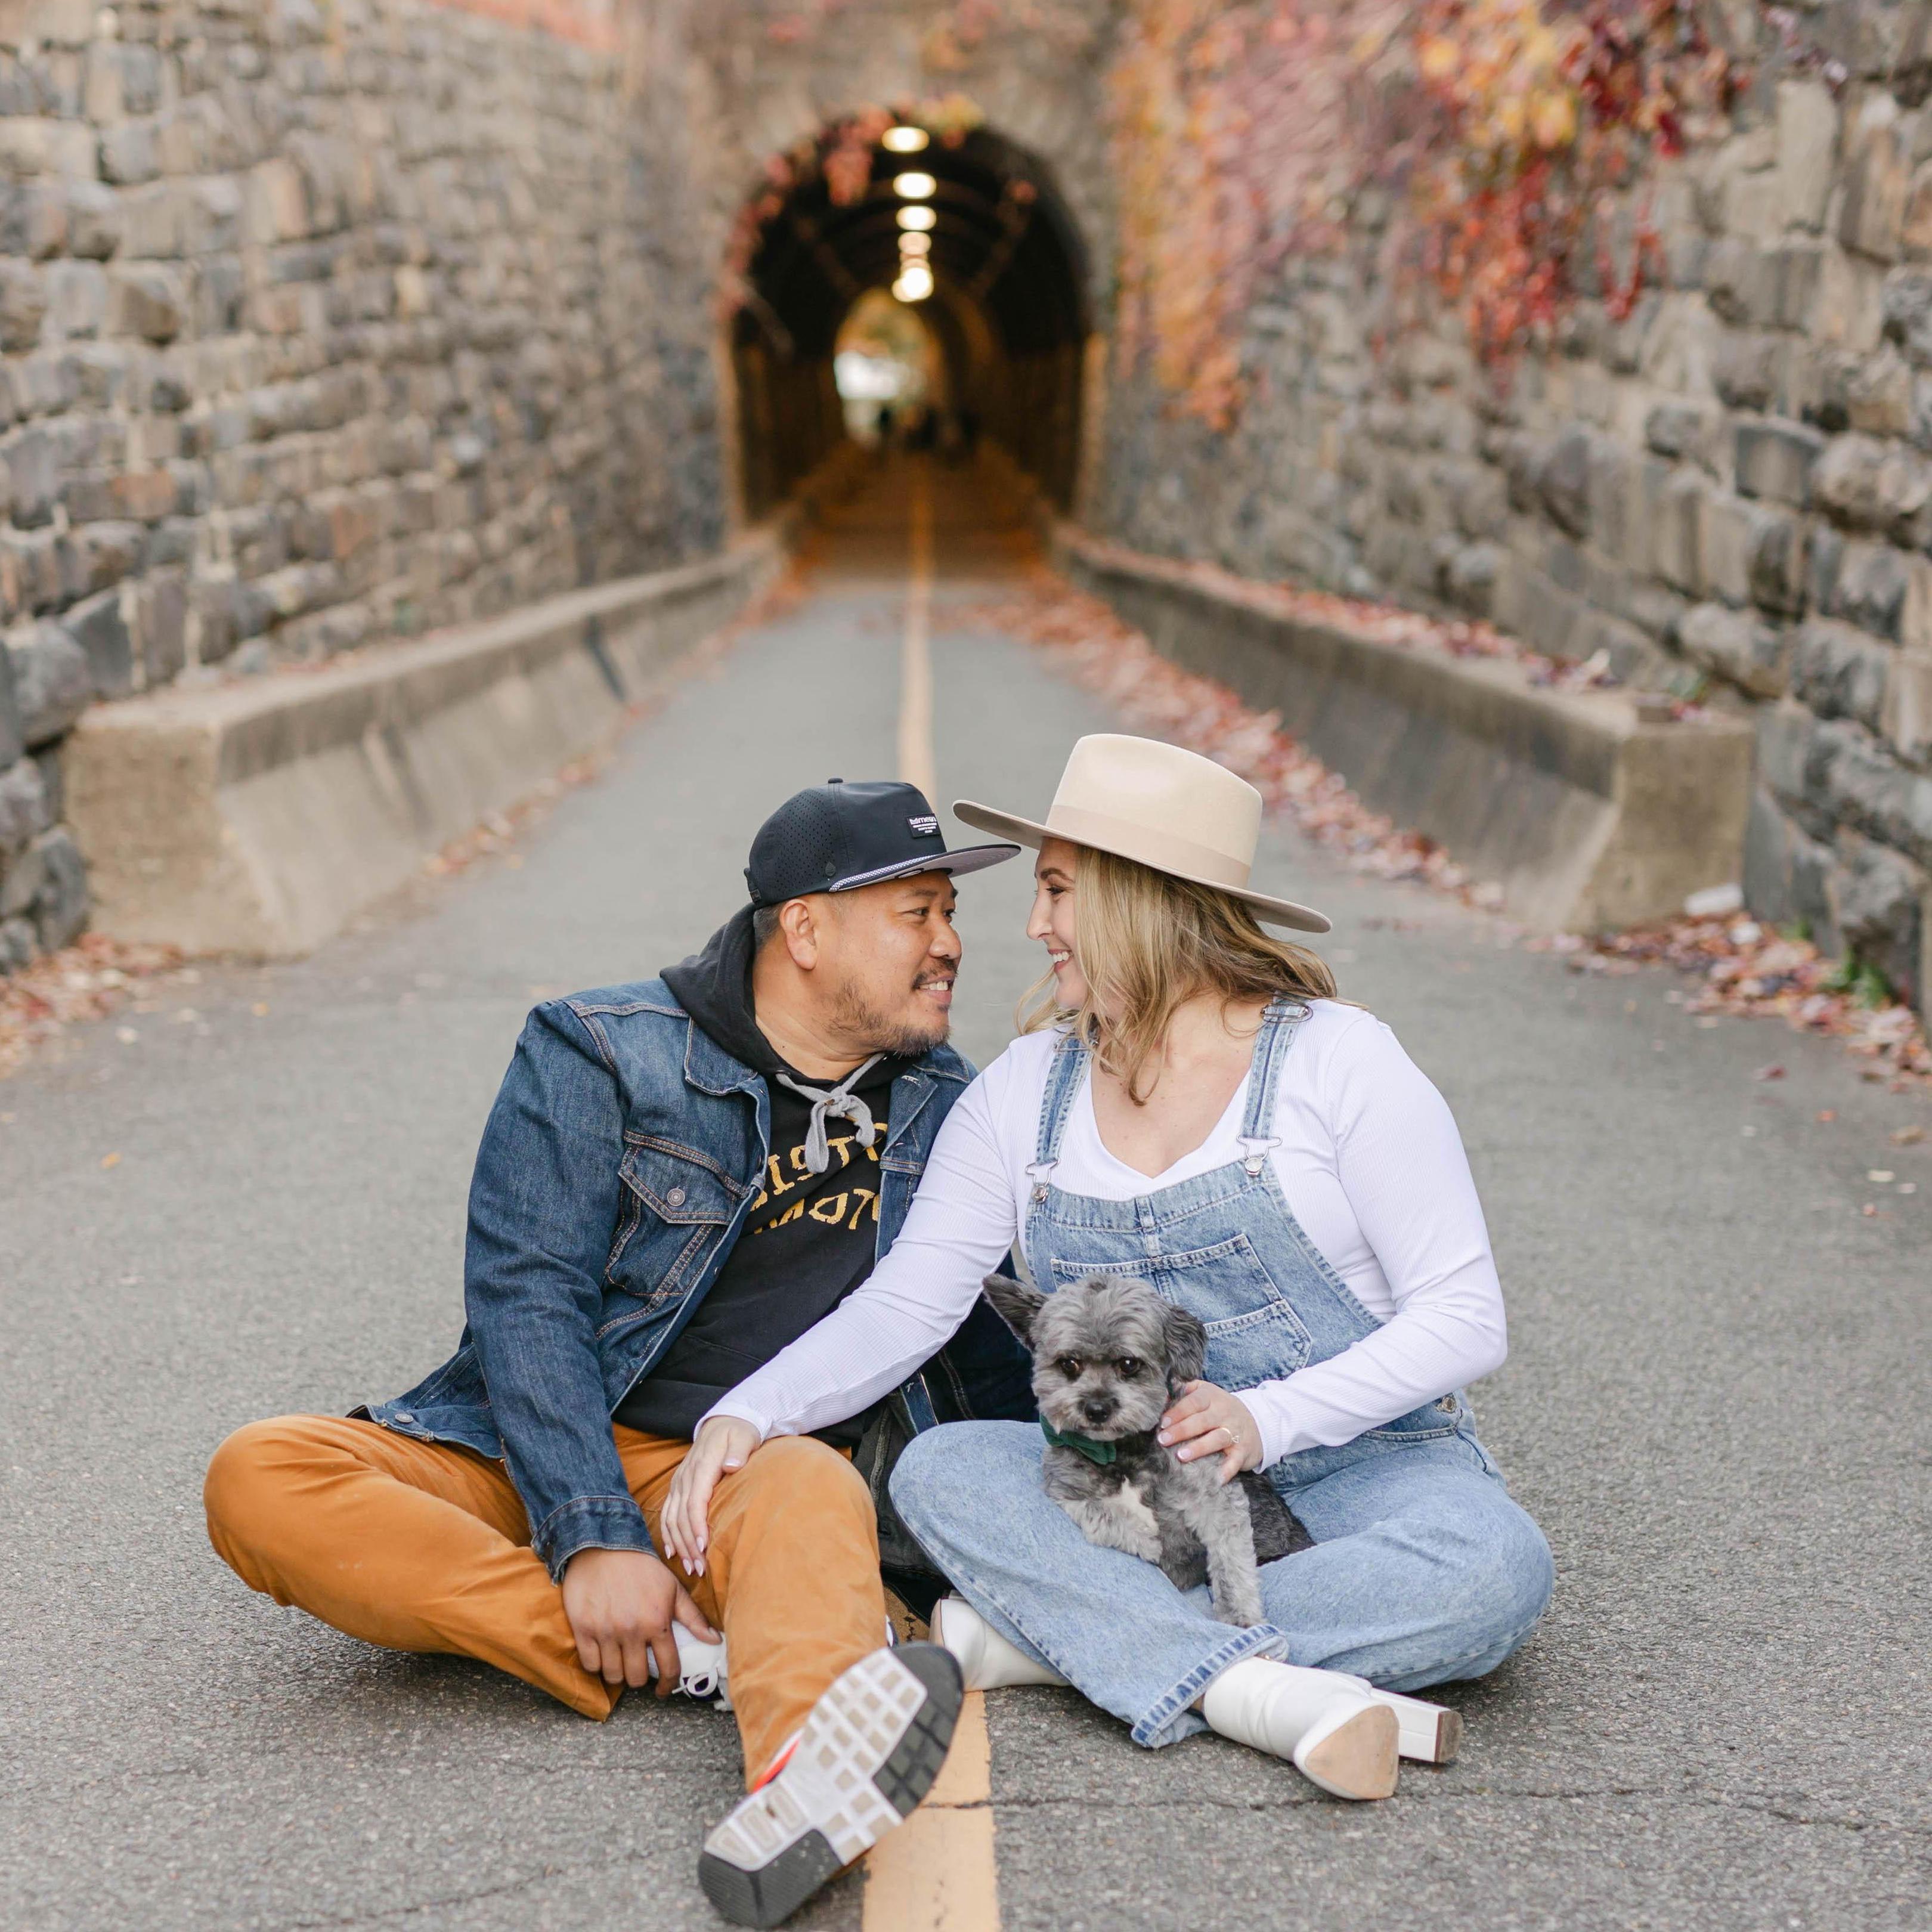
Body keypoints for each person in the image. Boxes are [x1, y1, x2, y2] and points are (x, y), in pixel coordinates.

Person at [202, 779, 1032, 1928]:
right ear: (805, 928)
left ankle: (798, 1785)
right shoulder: (600, 1052)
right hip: (529, 1445)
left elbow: (986, 1326)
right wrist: (590, 1532)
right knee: (263, 1474)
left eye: (951, 916)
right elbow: (524, 1296)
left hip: (737, 1477)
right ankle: (691, 1658)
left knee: (811, 1483)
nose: (951, 947)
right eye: (918, 914)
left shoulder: (949, 1104)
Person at [666, 733, 1555, 1804]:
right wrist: (747, 1414)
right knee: (940, 1474)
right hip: (1129, 1494)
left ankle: (1050, 1645)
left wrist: (1266, 1421)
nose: (1033, 925)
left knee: (1496, 1570)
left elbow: (1465, 1318)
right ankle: (1258, 1693)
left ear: (1144, 899)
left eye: (1056, 892)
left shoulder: (1338, 1061)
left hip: (1367, 1474)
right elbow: (909, 1302)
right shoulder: (1024, 1092)